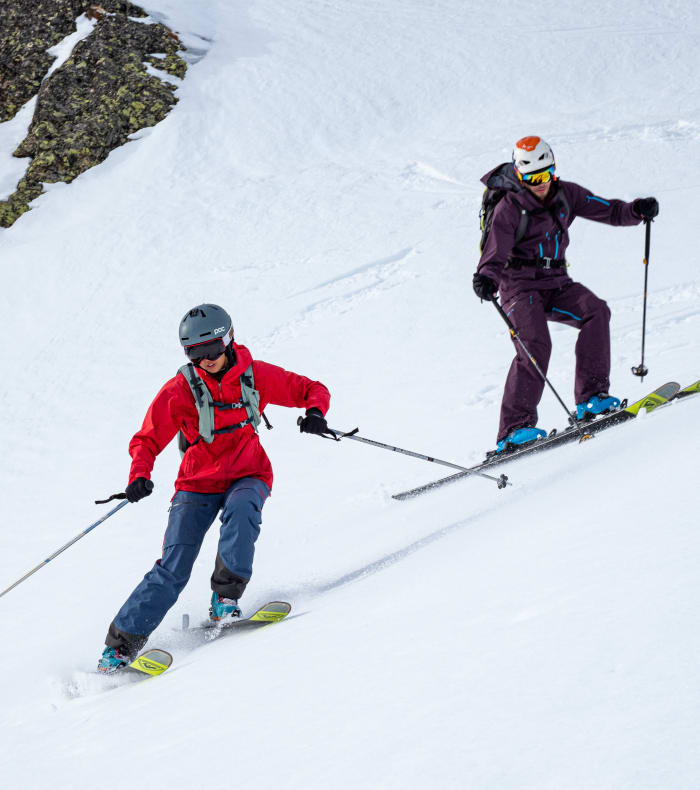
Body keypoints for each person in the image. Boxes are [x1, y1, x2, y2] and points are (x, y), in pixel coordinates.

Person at [98, 304, 331, 672]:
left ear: (229, 339)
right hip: (196, 484)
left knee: (242, 512)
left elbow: (310, 389)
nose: (205, 359)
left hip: (248, 473)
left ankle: (225, 599)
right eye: (195, 353)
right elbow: (146, 438)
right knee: (173, 568)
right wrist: (138, 475)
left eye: (212, 349)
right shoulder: (179, 390)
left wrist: (316, 412)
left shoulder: (253, 375)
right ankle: (119, 648)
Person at [472, 135, 658, 453]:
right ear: (520, 175)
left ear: (553, 170)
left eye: (545, 175)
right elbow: (495, 249)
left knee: (596, 311)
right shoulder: (508, 207)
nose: (540, 183)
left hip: (556, 281)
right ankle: (513, 429)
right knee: (535, 344)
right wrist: (486, 278)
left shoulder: (565, 194)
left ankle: (591, 399)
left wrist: (636, 211)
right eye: (532, 178)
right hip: (518, 286)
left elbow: (610, 211)